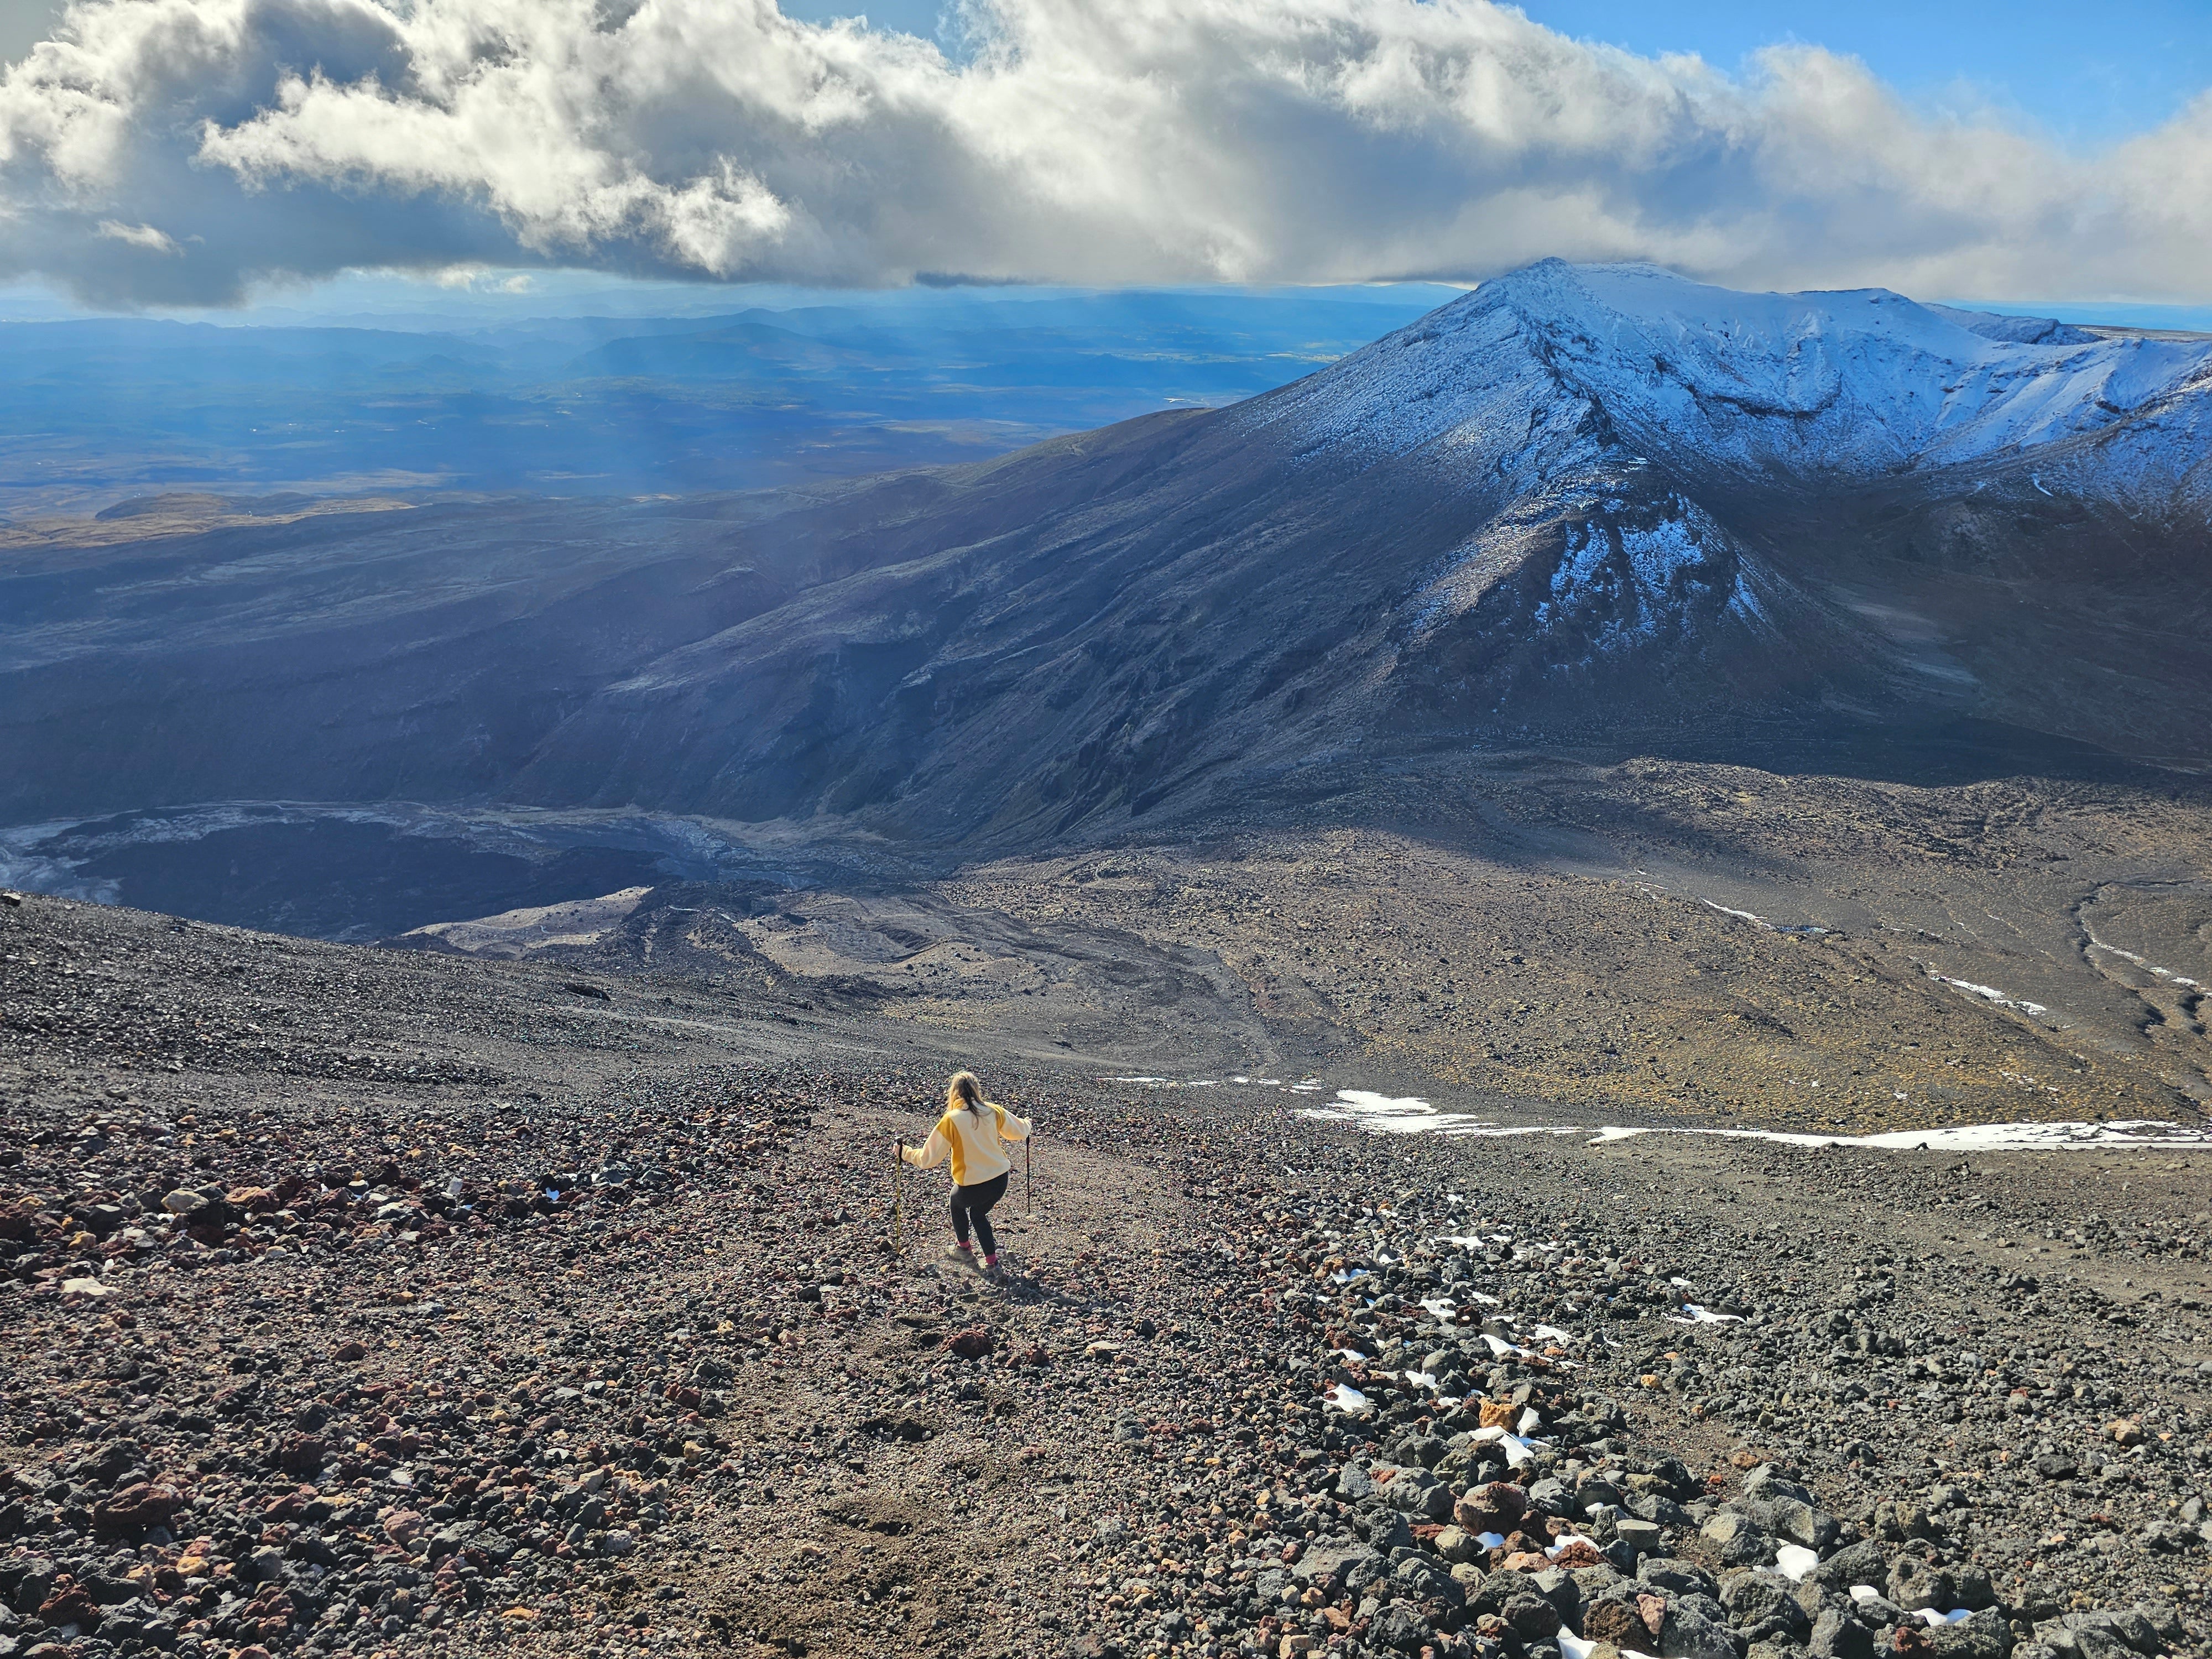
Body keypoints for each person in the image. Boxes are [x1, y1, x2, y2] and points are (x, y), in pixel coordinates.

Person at [900, 1072, 1030, 1275]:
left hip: (973, 1183)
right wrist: (1028, 1123)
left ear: (954, 1094)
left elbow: (927, 1159)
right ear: (976, 1090)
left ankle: (964, 1249)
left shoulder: (951, 1120)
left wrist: (904, 1153)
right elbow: (1020, 1131)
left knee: (956, 1201)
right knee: (978, 1214)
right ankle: (992, 1262)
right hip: (999, 1180)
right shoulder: (993, 1111)